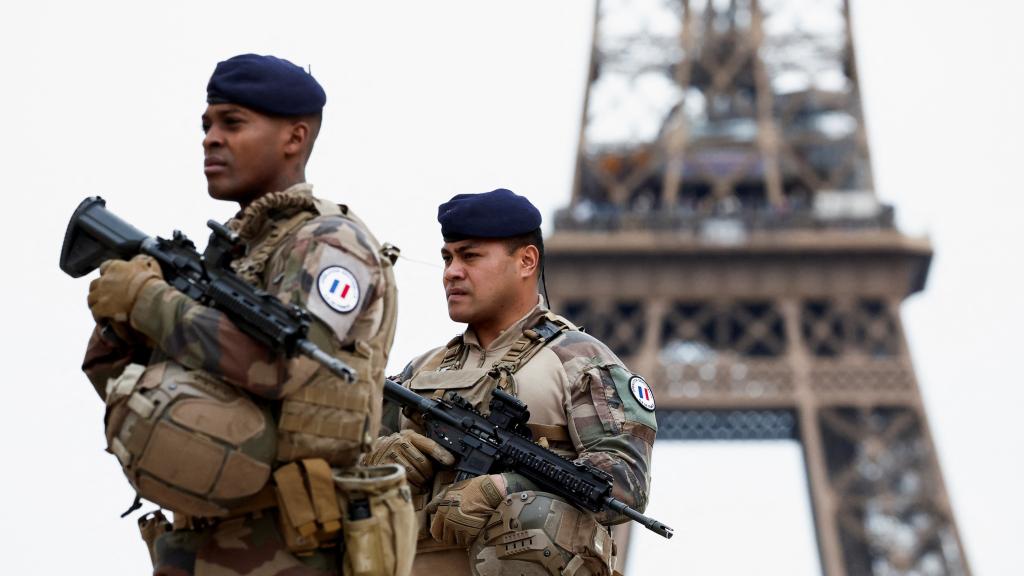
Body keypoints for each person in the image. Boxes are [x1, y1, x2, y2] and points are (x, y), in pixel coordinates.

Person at [82, 54, 402, 576]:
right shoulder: (231, 256)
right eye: (206, 125)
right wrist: (119, 317)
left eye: (233, 123)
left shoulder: (332, 245)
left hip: (290, 546)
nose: (210, 138)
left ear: (293, 138)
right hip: (195, 539)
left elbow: (280, 367)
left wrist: (149, 302)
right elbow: (124, 383)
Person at [364, 189, 658, 576]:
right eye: (447, 258)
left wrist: (506, 486)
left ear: (526, 261)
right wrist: (380, 459)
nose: (452, 271)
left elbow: (626, 484)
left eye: (470, 256)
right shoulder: (418, 371)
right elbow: (341, 465)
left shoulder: (581, 363)